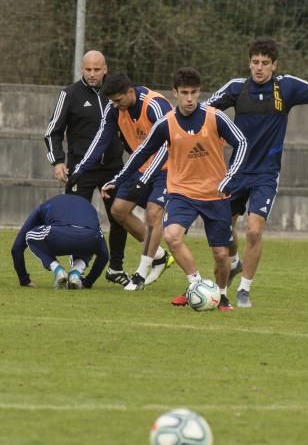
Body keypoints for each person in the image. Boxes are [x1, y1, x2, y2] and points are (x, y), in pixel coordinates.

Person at [205, 37, 308, 307]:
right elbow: (204, 112)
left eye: (265, 63)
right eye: (255, 62)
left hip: (266, 174)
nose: (259, 68)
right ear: (249, 63)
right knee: (223, 231)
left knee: (255, 231)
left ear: (274, 65)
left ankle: (244, 290)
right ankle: (233, 264)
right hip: (235, 172)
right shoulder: (236, 88)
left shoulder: (286, 88)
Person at [101, 67, 248, 311]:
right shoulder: (166, 124)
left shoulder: (215, 117)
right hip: (182, 192)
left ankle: (221, 295)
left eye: (194, 93)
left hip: (215, 193)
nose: (190, 98)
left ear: (199, 92)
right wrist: (118, 178)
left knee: (221, 255)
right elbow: (142, 153)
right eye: (185, 93)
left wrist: (230, 176)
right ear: (175, 93)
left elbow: (241, 142)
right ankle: (196, 285)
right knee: (171, 236)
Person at [67, 73, 174, 291]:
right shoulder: (114, 108)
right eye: (112, 101)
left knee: (154, 213)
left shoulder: (154, 105)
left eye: (118, 100)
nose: (115, 105)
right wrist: (80, 169)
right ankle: (160, 257)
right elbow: (102, 138)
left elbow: (168, 144)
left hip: (169, 167)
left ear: (130, 92)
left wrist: (144, 178)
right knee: (118, 210)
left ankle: (141, 274)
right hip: (140, 166)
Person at [44, 49, 129, 286]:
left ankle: (116, 267)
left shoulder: (115, 95)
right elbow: (53, 131)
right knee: (76, 222)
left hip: (113, 169)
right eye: (88, 69)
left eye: (97, 69)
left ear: (105, 69)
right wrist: (58, 161)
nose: (92, 74)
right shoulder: (69, 94)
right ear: (82, 69)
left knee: (119, 218)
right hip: (80, 170)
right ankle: (76, 272)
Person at [11, 194, 109, 289]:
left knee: (29, 235)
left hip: (60, 237)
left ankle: (58, 270)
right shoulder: (88, 208)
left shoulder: (43, 207)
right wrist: (88, 282)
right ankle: (76, 273)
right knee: (92, 240)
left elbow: (17, 247)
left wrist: (24, 280)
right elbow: (104, 255)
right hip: (89, 237)